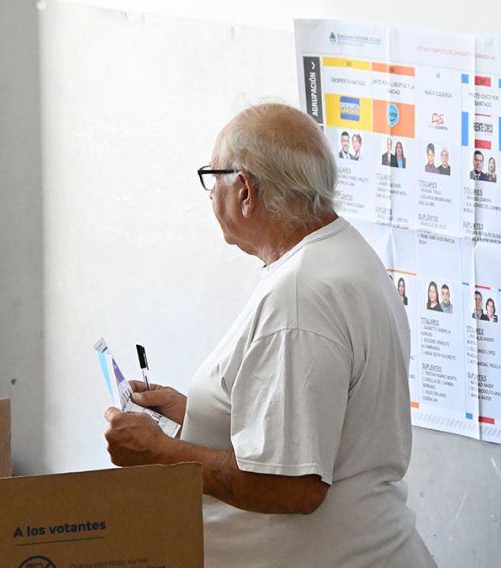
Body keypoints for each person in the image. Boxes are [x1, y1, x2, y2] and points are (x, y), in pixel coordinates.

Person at [104, 103, 433, 567]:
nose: (210, 194)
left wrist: (161, 453)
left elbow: (293, 487)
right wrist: (200, 415)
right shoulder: (338, 253)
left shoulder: (300, 295)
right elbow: (308, 423)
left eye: (212, 177)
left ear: (245, 190)